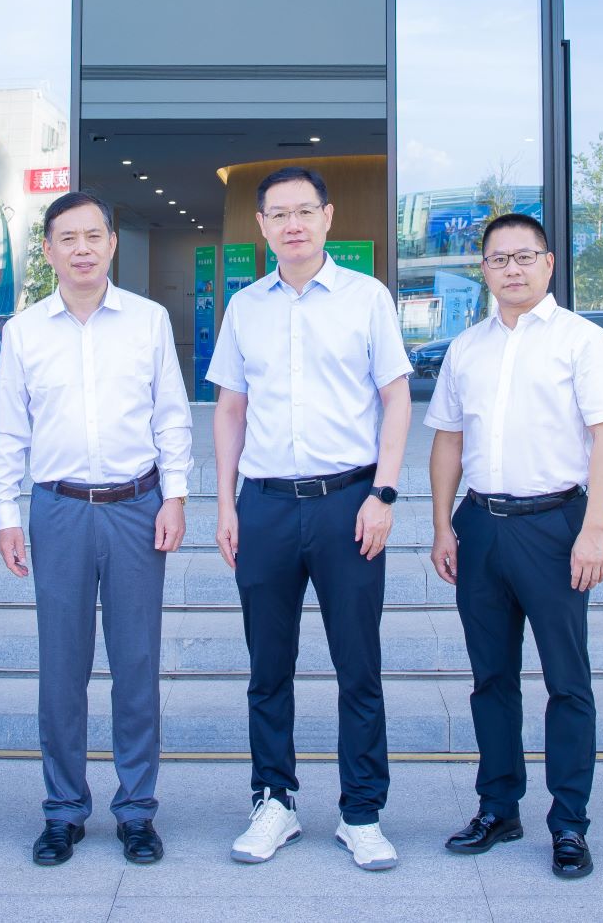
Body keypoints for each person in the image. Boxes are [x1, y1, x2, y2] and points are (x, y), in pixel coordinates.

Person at [206, 166, 413, 871]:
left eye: (304, 211)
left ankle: (362, 812)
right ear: (262, 226)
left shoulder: (367, 297)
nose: (292, 225)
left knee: (358, 664)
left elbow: (396, 398)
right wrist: (226, 502)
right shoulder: (245, 307)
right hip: (264, 505)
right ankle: (274, 801)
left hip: (348, 503)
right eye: (278, 214)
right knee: (268, 665)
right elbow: (230, 408)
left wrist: (383, 494)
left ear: (328, 217)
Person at [0, 191, 193, 868]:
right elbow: (10, 431)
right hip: (59, 509)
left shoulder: (148, 321)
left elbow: (172, 415)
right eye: (67, 238)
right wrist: (6, 513)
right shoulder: (24, 332)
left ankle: (136, 810)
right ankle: (63, 809)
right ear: (48, 250)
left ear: (112, 244)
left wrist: (175, 497)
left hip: (137, 506)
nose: (81, 249)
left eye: (93, 236)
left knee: (136, 665)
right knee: (61, 668)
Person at [426, 212, 603, 881]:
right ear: (483, 269)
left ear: (548, 263)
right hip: (481, 525)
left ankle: (568, 822)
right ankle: (498, 807)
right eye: (498, 259)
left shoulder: (583, 341)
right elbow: (448, 439)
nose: (511, 268)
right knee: (491, 679)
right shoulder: (466, 348)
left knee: (567, 682)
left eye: (523, 256)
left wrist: (594, 529)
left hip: (555, 526)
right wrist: (442, 524)